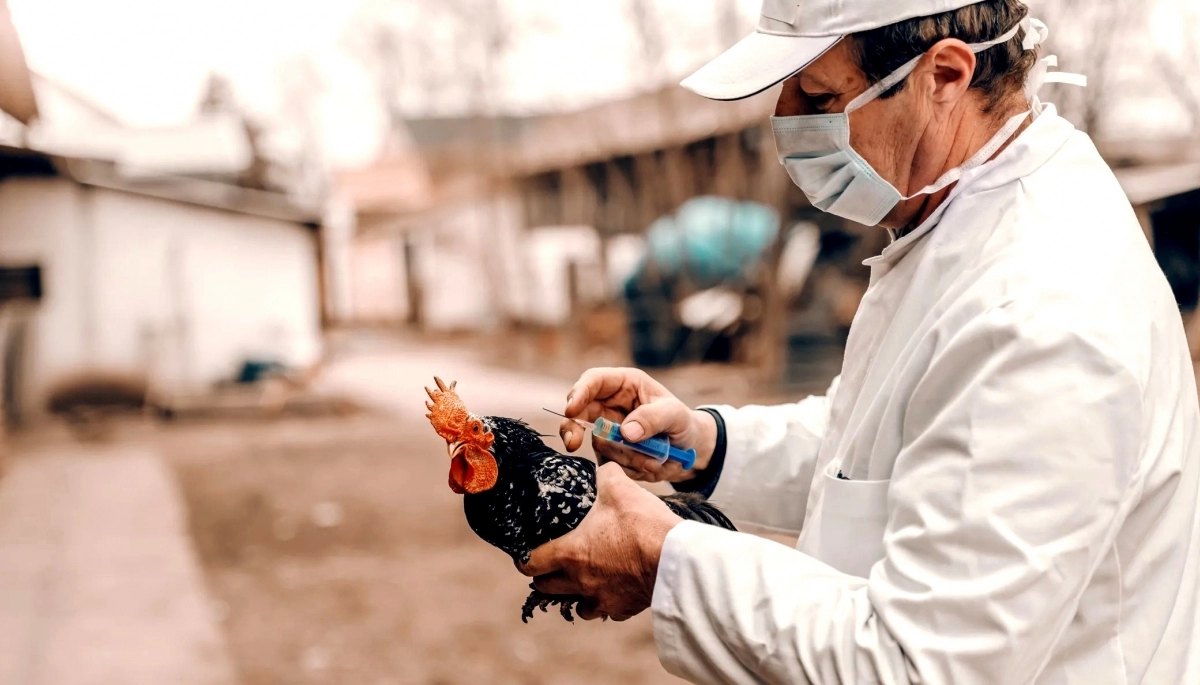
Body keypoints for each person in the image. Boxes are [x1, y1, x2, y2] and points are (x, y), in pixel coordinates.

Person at [518, 1, 1200, 683]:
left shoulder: (1041, 309)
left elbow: (916, 664)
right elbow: (890, 444)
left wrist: (664, 558)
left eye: (817, 94)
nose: (786, 118)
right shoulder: (955, 221)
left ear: (944, 76)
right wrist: (705, 442)